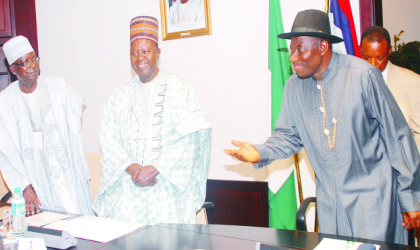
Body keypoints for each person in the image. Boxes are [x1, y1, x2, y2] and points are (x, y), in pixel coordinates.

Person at [224, 9, 420, 244]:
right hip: (330, 206)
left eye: (300, 49)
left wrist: (409, 197)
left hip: (374, 203)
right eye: (291, 49)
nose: (292, 57)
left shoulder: (363, 76)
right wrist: (259, 152)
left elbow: (398, 137)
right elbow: (288, 136)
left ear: (323, 47)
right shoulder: (293, 87)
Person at [92, 16, 211, 225]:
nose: (140, 58)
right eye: (134, 52)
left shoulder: (178, 88)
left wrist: (155, 168)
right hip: (129, 194)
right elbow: (108, 138)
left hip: (165, 190)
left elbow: (190, 138)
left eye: (145, 51)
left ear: (158, 53)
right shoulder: (120, 94)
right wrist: (131, 167)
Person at [0, 35, 93, 216]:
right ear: (12, 69)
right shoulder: (5, 102)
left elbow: (73, 130)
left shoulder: (58, 88)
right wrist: (24, 187)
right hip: (33, 185)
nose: (32, 65)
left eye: (34, 58)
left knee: (77, 227)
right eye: (25, 62)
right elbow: (5, 152)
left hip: (65, 179)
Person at [360, 26, 420, 150]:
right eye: (367, 57)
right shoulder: (351, 81)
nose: (372, 64)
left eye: (379, 58)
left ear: (389, 51)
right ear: (360, 50)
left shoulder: (412, 82)